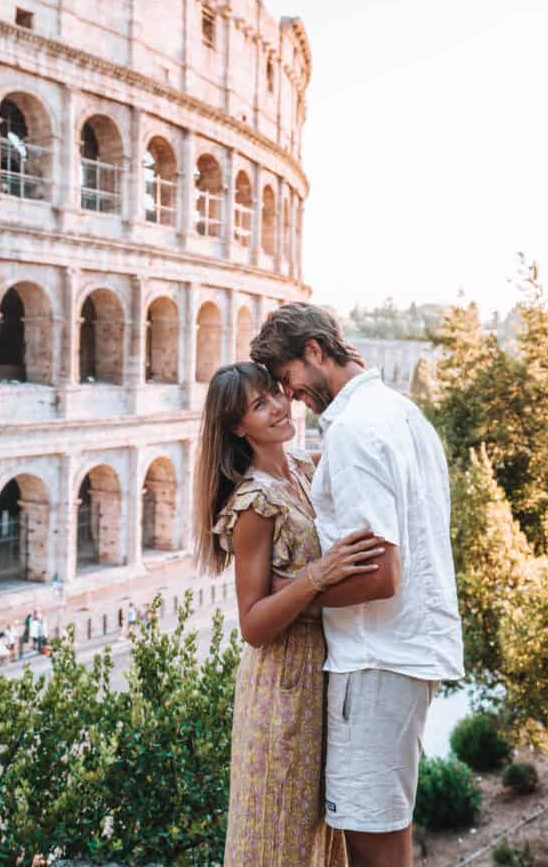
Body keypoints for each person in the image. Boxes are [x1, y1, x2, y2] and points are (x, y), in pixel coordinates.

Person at [250, 303, 464, 867]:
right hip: (402, 656)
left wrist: (293, 598)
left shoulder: (352, 429)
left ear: (315, 351)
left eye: (291, 382)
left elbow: (383, 572)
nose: (295, 398)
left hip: (376, 661)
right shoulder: (399, 410)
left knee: (374, 851)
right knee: (382, 836)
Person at [193, 361, 385, 867]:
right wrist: (317, 576)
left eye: (276, 393)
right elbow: (253, 624)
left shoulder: (303, 469)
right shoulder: (254, 503)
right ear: (238, 427)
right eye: (260, 405)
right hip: (281, 689)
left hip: (323, 675)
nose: (279, 407)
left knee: (318, 834)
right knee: (279, 834)